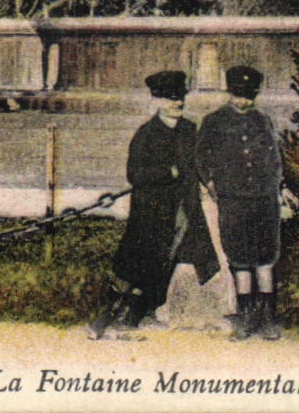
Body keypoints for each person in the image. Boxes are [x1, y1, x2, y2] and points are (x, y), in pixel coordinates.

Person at [89, 70, 218, 339]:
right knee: (136, 269)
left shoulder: (190, 131)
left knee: (167, 264)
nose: (177, 103)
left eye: (180, 97)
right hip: (151, 213)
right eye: (171, 99)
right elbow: (134, 175)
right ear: (157, 100)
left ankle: (141, 315)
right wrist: (167, 173)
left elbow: (201, 165)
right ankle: (111, 319)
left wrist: (213, 185)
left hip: (184, 211)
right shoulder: (145, 134)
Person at [196, 65, 284, 341]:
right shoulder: (214, 121)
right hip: (233, 199)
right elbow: (200, 156)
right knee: (240, 256)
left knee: (266, 257)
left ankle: (267, 316)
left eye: (248, 96)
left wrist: (279, 183)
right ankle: (246, 316)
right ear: (229, 92)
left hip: (264, 198)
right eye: (237, 95)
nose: (242, 101)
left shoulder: (263, 120)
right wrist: (210, 182)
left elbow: (275, 157)